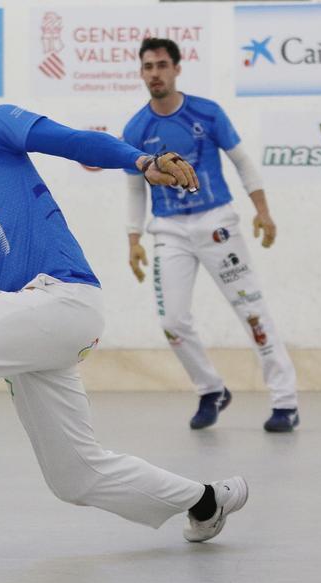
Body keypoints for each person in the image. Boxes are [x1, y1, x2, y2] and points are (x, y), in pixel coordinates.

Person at [0, 79, 249, 566]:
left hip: (63, 297)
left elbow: (73, 140)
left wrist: (142, 161)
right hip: (27, 329)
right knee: (75, 476)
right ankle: (207, 500)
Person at [123, 38, 300, 432]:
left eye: (162, 65)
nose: (155, 73)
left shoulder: (207, 112)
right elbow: (135, 187)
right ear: (141, 72)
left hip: (217, 223)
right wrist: (134, 238)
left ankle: (286, 401)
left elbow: (242, 163)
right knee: (172, 320)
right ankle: (211, 390)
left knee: (251, 310)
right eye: (148, 66)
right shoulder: (136, 128)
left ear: (177, 68)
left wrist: (263, 211)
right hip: (168, 229)